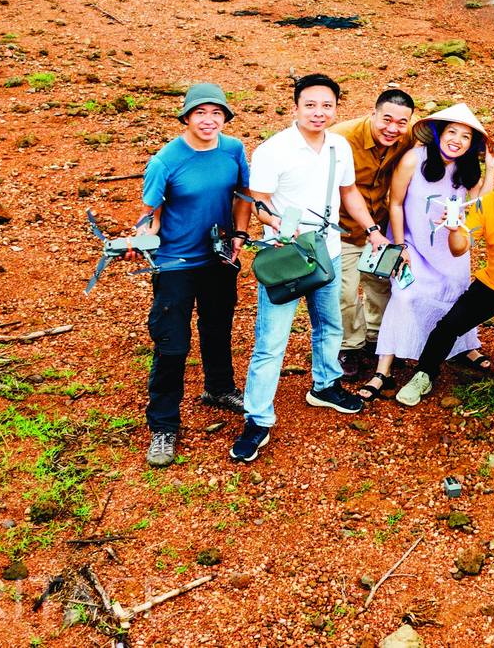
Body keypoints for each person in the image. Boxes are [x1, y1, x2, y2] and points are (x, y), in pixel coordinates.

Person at [233, 74, 389, 462]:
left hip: (328, 251)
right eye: (311, 105)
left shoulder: (339, 145)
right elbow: (260, 201)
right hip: (287, 256)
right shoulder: (274, 150)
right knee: (271, 342)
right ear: (295, 107)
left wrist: (371, 229)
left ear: (336, 107)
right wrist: (285, 228)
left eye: (327, 105)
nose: (319, 112)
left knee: (329, 322)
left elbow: (348, 192)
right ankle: (257, 419)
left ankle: (325, 384)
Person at [393, 146, 494, 408]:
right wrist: (454, 227)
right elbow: (459, 248)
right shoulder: (486, 205)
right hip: (492, 283)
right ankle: (423, 374)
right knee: (448, 326)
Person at [140, 82, 252, 468]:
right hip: (175, 263)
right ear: (186, 117)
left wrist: (238, 234)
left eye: (217, 113)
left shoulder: (234, 149)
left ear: (225, 117)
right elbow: (149, 215)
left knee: (218, 326)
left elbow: (242, 196)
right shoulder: (165, 161)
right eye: (200, 113)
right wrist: (143, 238)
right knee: (172, 343)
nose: (209, 120)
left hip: (218, 257)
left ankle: (219, 389)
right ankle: (163, 426)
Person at [360, 103, 493, 400]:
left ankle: (464, 347)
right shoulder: (414, 159)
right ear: (438, 133)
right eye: (452, 132)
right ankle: (384, 367)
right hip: (413, 246)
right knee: (405, 295)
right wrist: (400, 245)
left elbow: (479, 204)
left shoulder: (467, 168)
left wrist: (493, 167)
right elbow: (395, 202)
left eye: (465, 137)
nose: (457, 140)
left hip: (449, 249)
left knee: (456, 294)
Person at [330, 86, 415, 378]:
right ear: (373, 114)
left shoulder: (407, 135)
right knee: (345, 291)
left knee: (381, 285)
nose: (392, 128)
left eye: (401, 123)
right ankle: (349, 346)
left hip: (380, 225)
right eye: (386, 120)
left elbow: (443, 137)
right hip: (343, 228)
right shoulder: (341, 138)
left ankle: (377, 339)